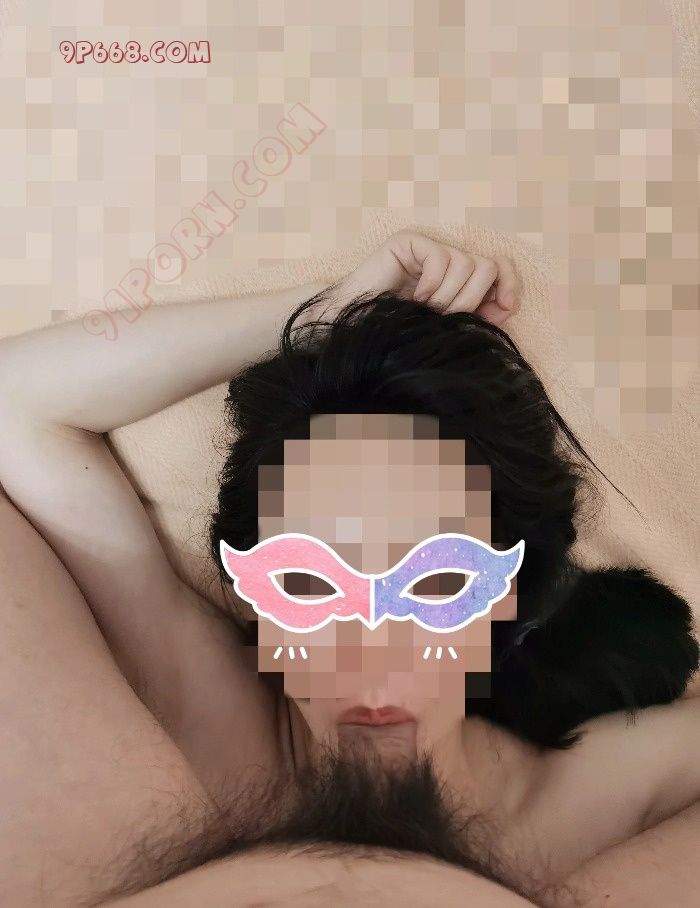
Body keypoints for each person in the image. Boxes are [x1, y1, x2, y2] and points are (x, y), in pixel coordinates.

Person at [0, 230, 698, 908]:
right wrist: (323, 313)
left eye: (437, 582)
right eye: (307, 583)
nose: (371, 651)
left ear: (505, 595)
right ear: (253, 599)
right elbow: (15, 404)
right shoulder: (208, 710)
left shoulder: (596, 793)